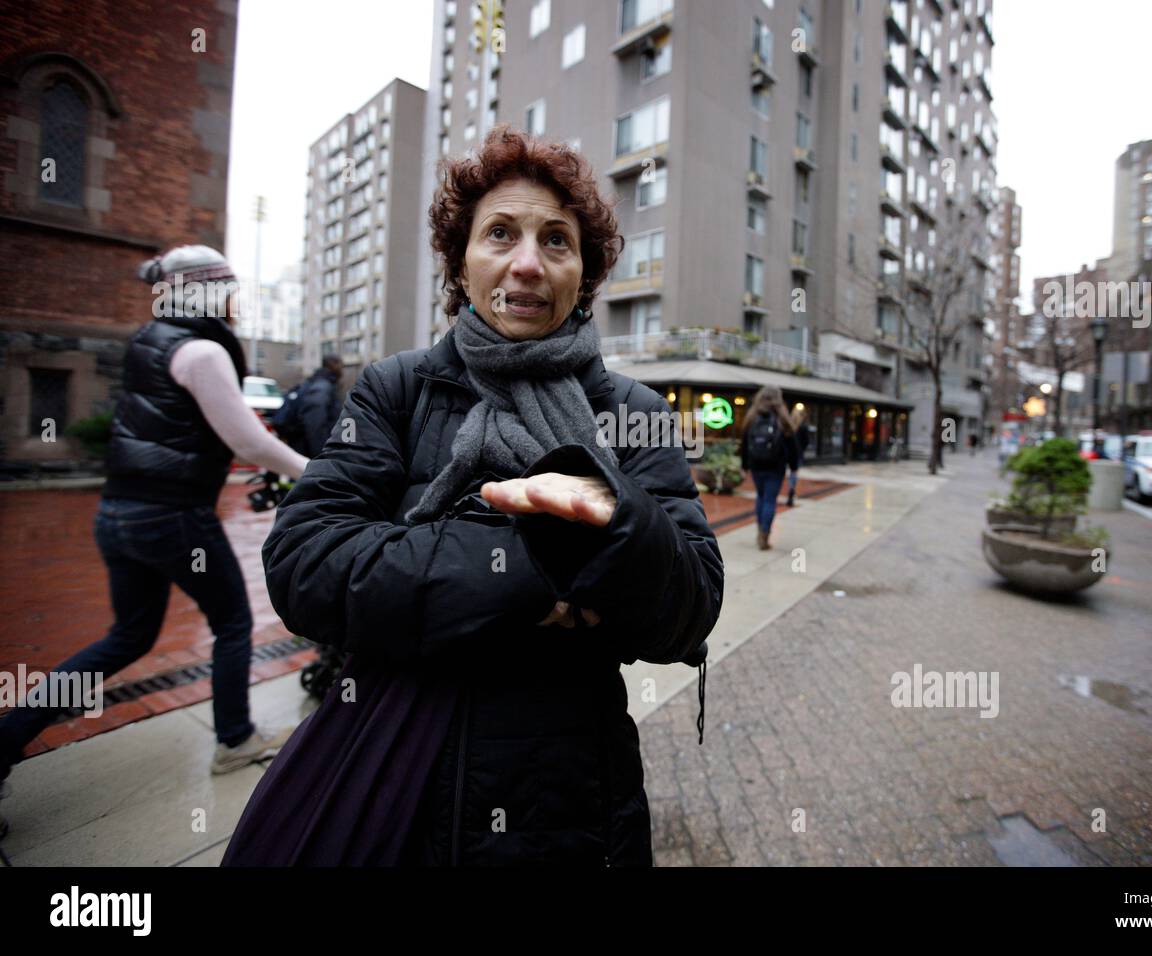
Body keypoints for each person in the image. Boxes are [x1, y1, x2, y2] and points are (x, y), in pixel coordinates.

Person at [221, 126, 724, 867]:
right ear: (462, 259)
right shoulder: (399, 389)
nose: (527, 262)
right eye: (500, 234)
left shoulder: (635, 409)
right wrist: (528, 571)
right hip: (405, 778)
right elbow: (304, 562)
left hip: (573, 800)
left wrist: (616, 516)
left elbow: (690, 607)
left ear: (582, 272)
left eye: (557, 240)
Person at [0, 246, 306, 824]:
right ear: (207, 291)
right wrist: (318, 470)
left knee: (128, 638)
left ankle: (5, 740)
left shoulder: (149, 338)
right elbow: (250, 443)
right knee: (234, 623)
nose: (236, 300)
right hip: (174, 518)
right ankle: (236, 738)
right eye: (229, 287)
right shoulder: (202, 350)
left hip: (118, 513)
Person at [739, 385, 800, 551]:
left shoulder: (752, 415)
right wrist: (794, 466)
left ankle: (760, 530)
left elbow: (744, 443)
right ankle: (764, 535)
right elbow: (793, 445)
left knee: (761, 496)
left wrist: (744, 465)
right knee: (770, 499)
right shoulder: (782, 417)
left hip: (756, 465)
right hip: (776, 466)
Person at [273, 355, 343, 459]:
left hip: (300, 448)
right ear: (334, 365)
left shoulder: (312, 383)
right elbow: (315, 423)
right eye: (341, 366)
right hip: (308, 451)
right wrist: (322, 456)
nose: (342, 371)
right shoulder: (322, 387)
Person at [785, 406, 812, 507]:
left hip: (787, 453)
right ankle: (792, 489)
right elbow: (806, 441)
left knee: (787, 472)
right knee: (794, 472)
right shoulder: (803, 427)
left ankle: (790, 489)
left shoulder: (788, 425)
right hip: (797, 453)